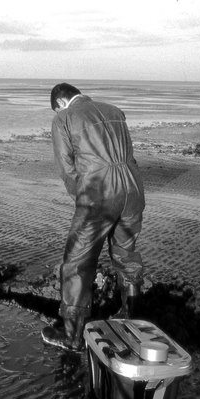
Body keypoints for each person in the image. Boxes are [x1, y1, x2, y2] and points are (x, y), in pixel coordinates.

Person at [41, 83, 146, 351]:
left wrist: (82, 197)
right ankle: (132, 322)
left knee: (78, 262)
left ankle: (71, 336)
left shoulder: (63, 118)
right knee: (126, 254)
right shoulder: (114, 111)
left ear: (60, 103)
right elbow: (127, 154)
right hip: (132, 187)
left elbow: (67, 169)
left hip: (99, 190)